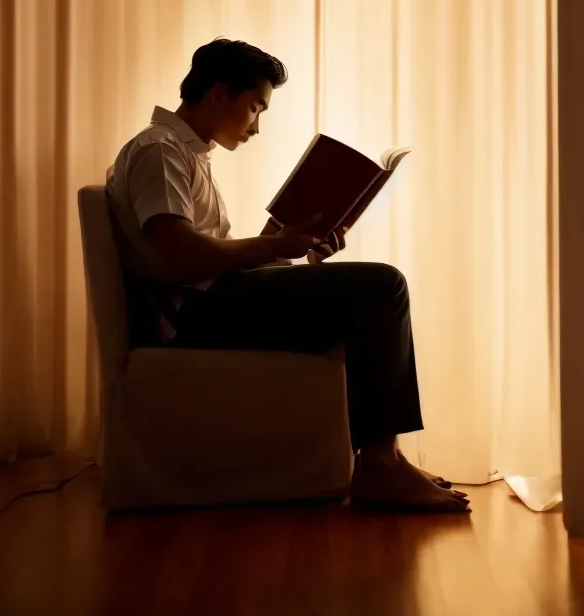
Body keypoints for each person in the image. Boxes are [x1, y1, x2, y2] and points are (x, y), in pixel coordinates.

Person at [104, 38, 468, 513]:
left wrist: (285, 242)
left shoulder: (184, 153)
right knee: (381, 286)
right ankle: (380, 465)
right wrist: (277, 245)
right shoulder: (160, 151)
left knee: (367, 297)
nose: (256, 127)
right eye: (256, 108)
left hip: (210, 302)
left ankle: (384, 458)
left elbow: (204, 259)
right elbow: (178, 257)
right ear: (219, 95)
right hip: (193, 317)